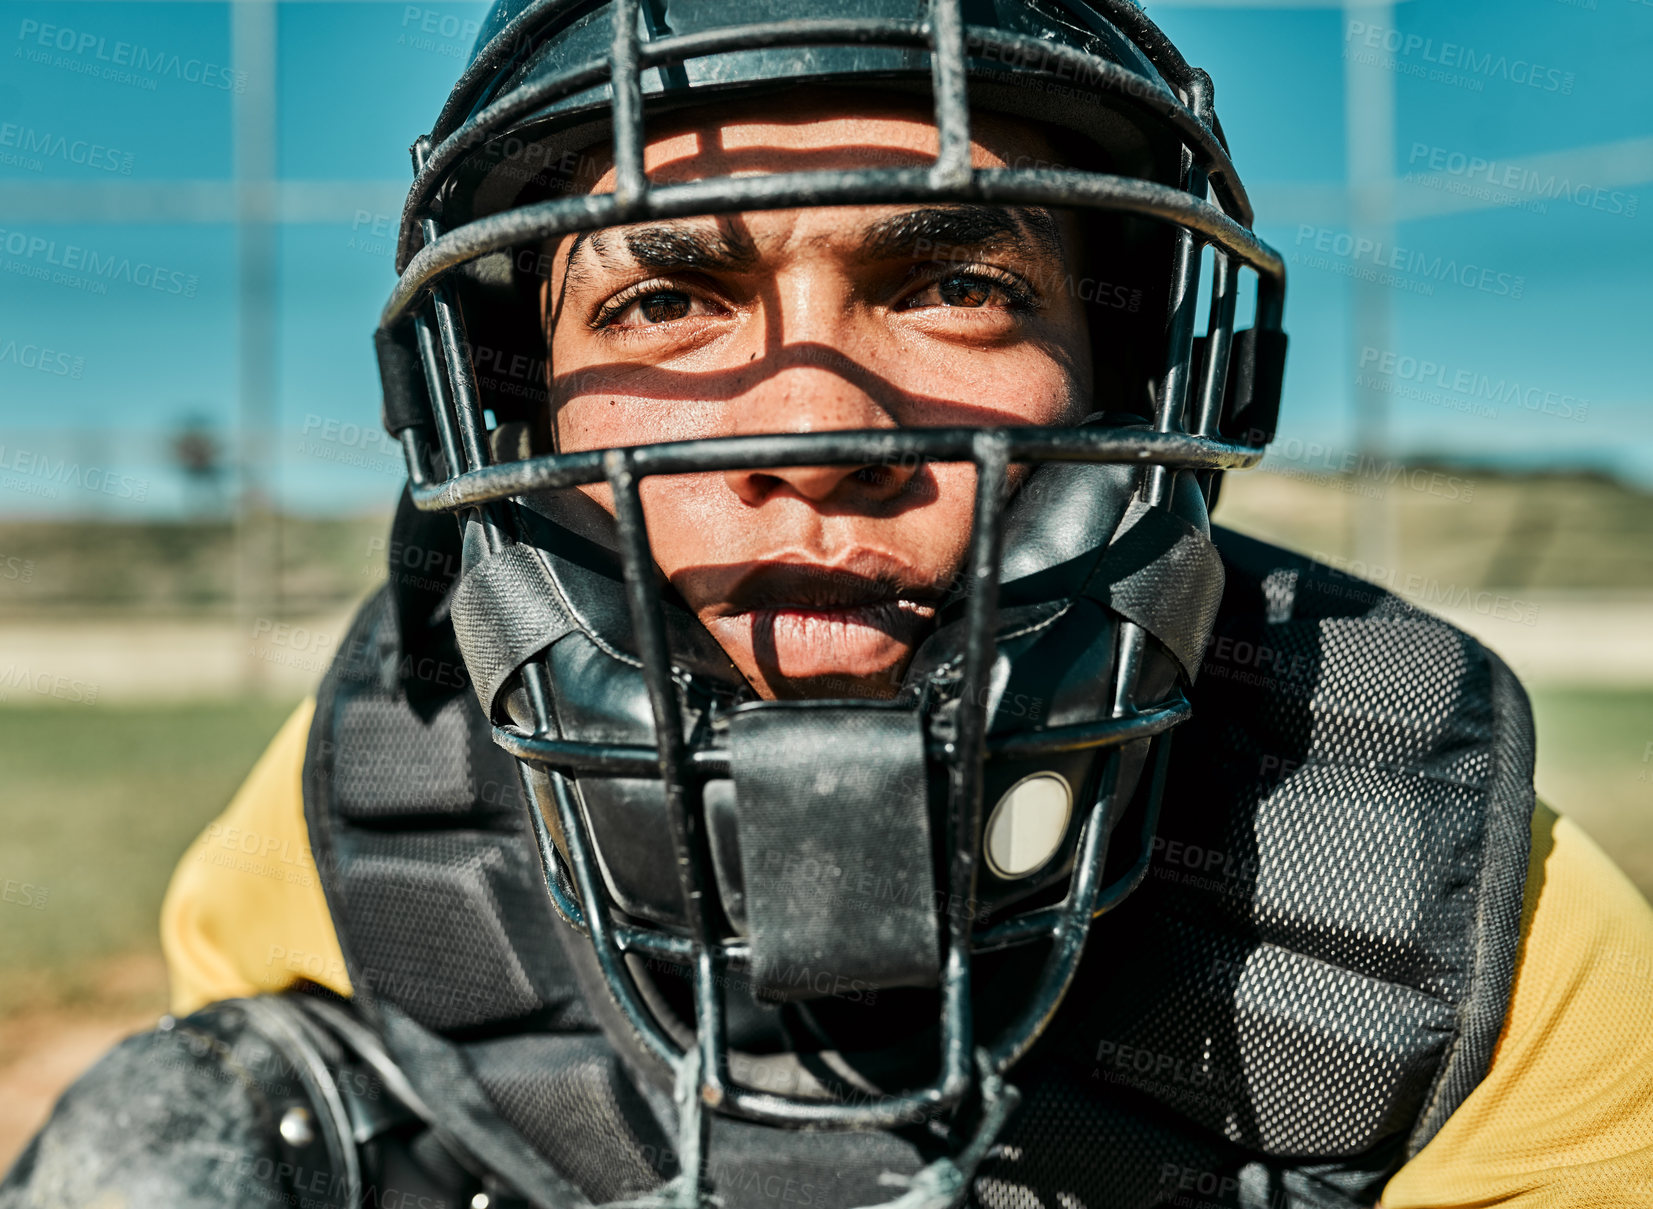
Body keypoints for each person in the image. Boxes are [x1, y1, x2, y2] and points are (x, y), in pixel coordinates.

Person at [5, 2, 1652, 1207]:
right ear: (524, 417)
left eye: (953, 285)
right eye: (661, 296)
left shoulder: (1454, 923)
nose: (827, 434)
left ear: (1116, 387)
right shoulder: (357, 820)